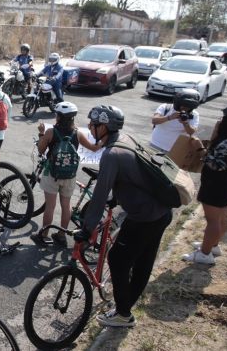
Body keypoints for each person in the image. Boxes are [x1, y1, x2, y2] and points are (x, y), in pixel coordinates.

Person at [75, 105, 172, 328]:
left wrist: (87, 229)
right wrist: (117, 199)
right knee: (143, 261)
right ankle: (126, 306)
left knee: (118, 259)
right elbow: (135, 176)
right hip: (162, 211)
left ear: (105, 127)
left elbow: (98, 197)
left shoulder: (111, 154)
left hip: (144, 217)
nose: (90, 127)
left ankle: (123, 314)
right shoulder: (125, 139)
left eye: (93, 124)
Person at [182, 105, 227, 264]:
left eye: (225, 118)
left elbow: (214, 164)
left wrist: (200, 148)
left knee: (213, 221)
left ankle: (204, 254)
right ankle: (213, 245)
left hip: (218, 183)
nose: (221, 120)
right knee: (222, 216)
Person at [33, 101, 107, 245]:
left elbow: (41, 150)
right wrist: (105, 138)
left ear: (59, 117)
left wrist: (41, 133)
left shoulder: (50, 132)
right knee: (66, 206)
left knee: (50, 206)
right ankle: (61, 235)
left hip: (52, 173)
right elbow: (93, 148)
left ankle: (43, 235)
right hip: (70, 175)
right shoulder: (77, 133)